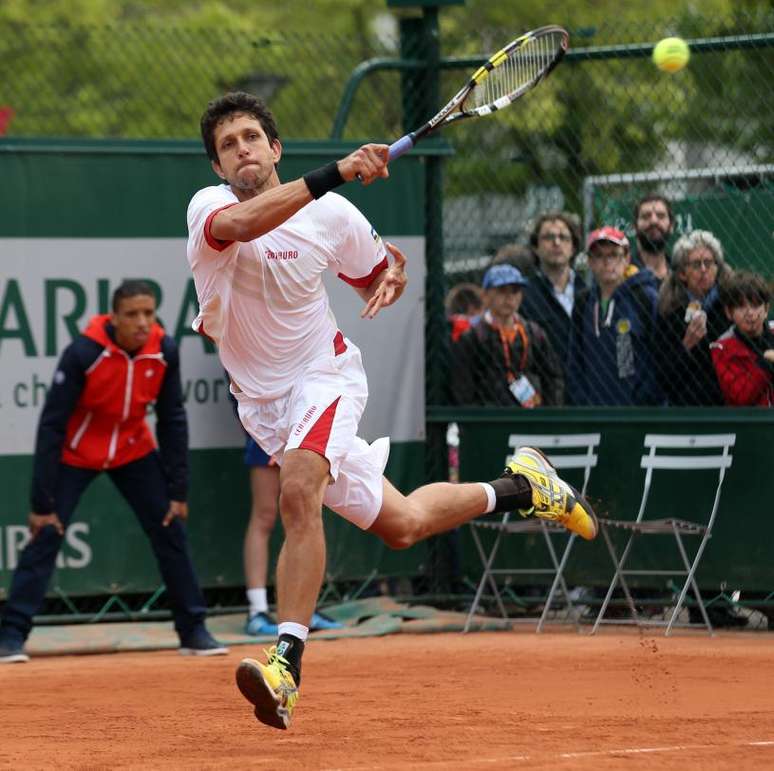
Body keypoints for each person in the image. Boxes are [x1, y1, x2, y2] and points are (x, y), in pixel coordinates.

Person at [186, 91, 598, 730]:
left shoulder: (334, 216)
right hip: (261, 405)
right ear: (217, 167)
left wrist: (387, 273)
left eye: (250, 137)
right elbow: (245, 227)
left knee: (298, 489)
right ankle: (523, 487)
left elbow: (375, 269)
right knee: (403, 524)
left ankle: (284, 666)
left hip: (325, 377)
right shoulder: (210, 209)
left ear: (275, 147)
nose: (241, 150)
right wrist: (337, 173)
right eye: (227, 145)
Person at [0, 281, 226, 664]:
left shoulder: (164, 351)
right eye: (133, 314)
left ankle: (193, 630)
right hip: (75, 452)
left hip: (132, 449)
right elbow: (52, 424)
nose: (142, 322)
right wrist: (42, 501)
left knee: (170, 529)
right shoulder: (83, 352)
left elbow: (172, 419)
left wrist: (178, 491)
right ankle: (10, 635)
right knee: (46, 533)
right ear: (114, 317)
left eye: (149, 313)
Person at [241, 435, 343, 635]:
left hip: (307, 433)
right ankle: (257, 611)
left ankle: (304, 611)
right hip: (268, 433)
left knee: (304, 516)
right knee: (264, 515)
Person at [567, 227, 663, 406]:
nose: (607, 262)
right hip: (594, 410)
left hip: (639, 410)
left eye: (614, 255)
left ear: (626, 258)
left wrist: (645, 399)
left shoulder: (645, 297)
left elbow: (659, 355)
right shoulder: (583, 302)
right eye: (599, 256)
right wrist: (582, 401)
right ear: (590, 262)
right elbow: (575, 359)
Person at [451, 264, 564, 407]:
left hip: (531, 417)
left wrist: (548, 412)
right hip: (489, 421)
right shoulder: (473, 337)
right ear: (485, 296)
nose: (509, 298)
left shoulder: (534, 333)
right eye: (501, 291)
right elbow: (463, 386)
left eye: (515, 291)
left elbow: (553, 376)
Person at [655, 229, 732, 406]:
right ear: (682, 273)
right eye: (697, 264)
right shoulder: (668, 310)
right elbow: (662, 374)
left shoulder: (731, 304)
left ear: (717, 268)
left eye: (709, 263)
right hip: (684, 406)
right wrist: (686, 346)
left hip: (727, 405)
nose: (704, 270)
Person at [520, 211, 586, 364]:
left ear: (573, 247)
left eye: (563, 237)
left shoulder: (589, 291)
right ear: (536, 247)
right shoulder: (524, 295)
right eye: (548, 237)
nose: (556, 242)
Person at [711, 271, 774, 406]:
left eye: (756, 305)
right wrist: (766, 364)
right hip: (749, 424)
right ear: (729, 312)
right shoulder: (722, 348)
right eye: (741, 306)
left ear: (766, 309)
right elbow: (740, 397)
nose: (750, 313)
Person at [633, 194, 674, 286]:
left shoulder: (680, 273)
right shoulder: (624, 272)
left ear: (671, 226)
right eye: (646, 216)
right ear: (635, 227)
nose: (654, 221)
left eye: (660, 216)